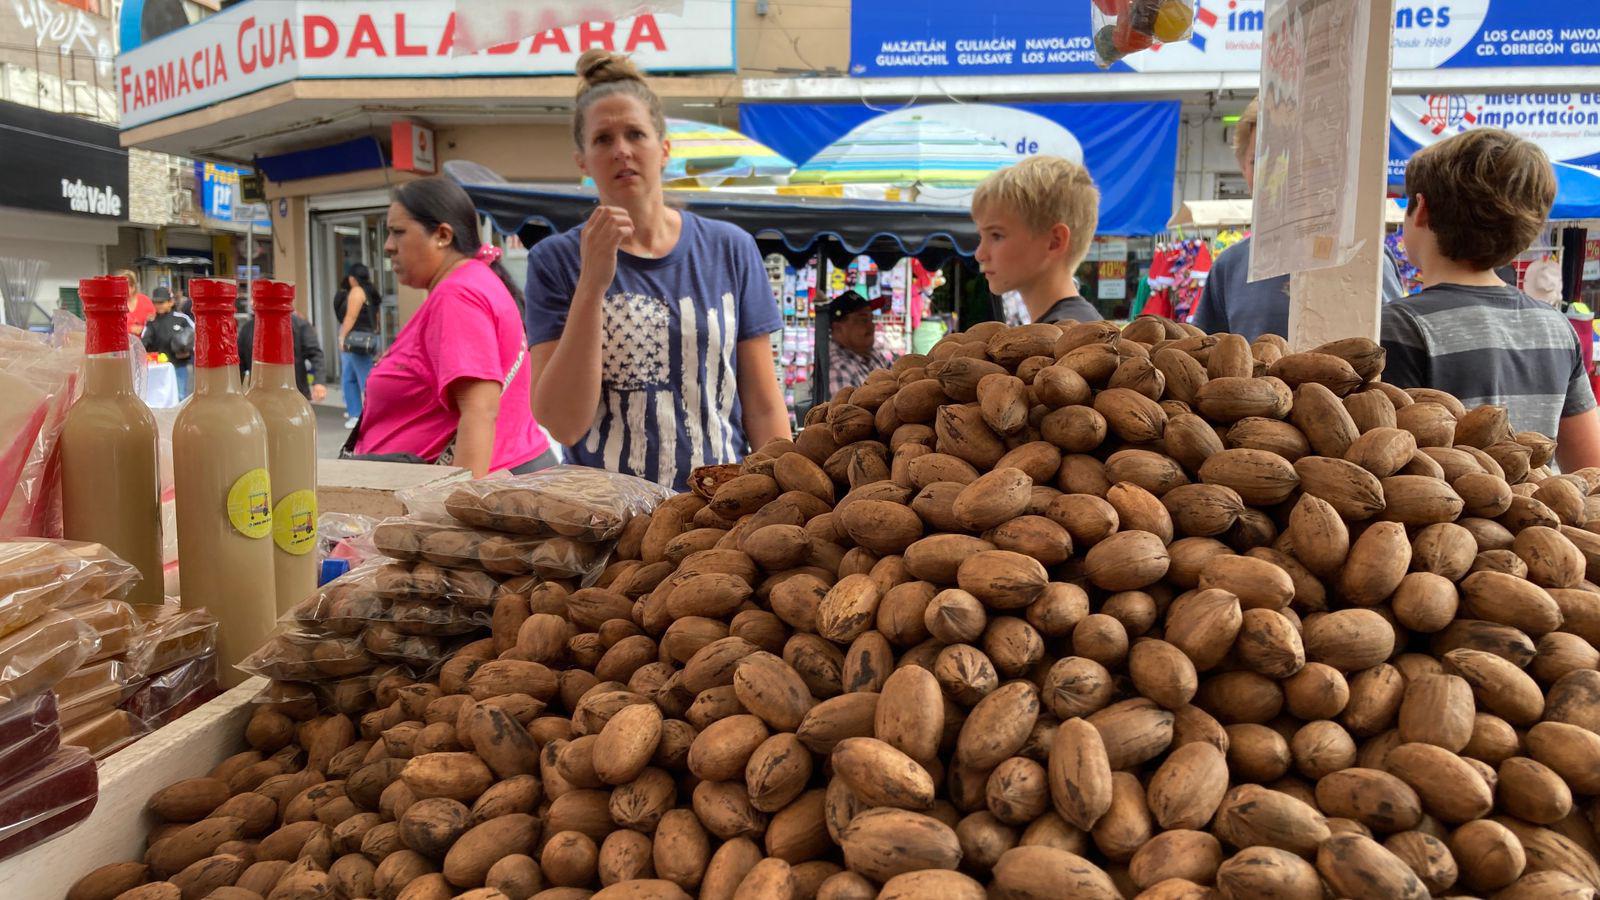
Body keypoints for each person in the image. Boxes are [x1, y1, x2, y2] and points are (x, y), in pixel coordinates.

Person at [524, 49, 790, 491]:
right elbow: (564, 425)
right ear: (582, 162)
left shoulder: (731, 249)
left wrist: (784, 496)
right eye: (603, 139)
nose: (621, 150)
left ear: (664, 149)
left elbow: (762, 405)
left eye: (635, 134)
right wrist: (591, 283)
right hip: (605, 522)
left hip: (718, 511)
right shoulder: (555, 261)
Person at [1381, 128, 1600, 471]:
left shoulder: (1399, 326)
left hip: (1439, 523)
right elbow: (1589, 466)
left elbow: (1385, 460)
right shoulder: (1557, 328)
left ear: (1420, 209)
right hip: (1534, 521)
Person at [351, 176, 554, 478]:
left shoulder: (457, 295)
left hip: (485, 486)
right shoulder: (470, 282)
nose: (388, 246)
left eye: (398, 233)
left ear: (443, 235)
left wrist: (454, 514)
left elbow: (479, 410)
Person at [1193, 98, 1407, 340]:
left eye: (1289, 157)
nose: (1275, 172)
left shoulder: (1363, 256)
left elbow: (1393, 348)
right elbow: (1205, 355)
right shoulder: (1229, 266)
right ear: (1244, 169)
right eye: (1259, 160)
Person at [971, 155, 1103, 325]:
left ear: (1055, 242)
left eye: (996, 235)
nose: (980, 254)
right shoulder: (1071, 327)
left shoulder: (1065, 340)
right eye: (981, 236)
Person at [238, 309, 327, 402]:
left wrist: (319, 382)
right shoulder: (248, 329)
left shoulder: (299, 325)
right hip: (260, 395)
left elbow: (315, 354)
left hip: (294, 393)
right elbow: (240, 363)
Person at [334, 263, 380, 429]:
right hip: (367, 337)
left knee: (358, 379)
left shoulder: (356, 291)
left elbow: (351, 317)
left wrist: (341, 337)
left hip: (355, 339)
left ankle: (360, 415)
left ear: (352, 278)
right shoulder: (370, 291)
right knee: (353, 377)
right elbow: (376, 317)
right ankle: (357, 413)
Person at [825, 291, 893, 396]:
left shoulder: (871, 353)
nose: (871, 326)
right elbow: (846, 411)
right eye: (862, 320)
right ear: (838, 328)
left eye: (871, 319)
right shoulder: (837, 369)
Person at [140, 286, 195, 397]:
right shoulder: (151, 322)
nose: (158, 305)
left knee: (180, 395)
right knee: (160, 397)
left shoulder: (182, 319)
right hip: (160, 368)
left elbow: (195, 335)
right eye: (156, 302)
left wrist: (186, 347)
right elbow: (144, 342)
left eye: (162, 302)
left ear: (170, 302)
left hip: (179, 364)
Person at [118, 269, 156, 338]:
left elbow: (154, 323)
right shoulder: (116, 304)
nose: (120, 290)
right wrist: (130, 329)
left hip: (144, 343)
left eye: (124, 286)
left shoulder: (145, 301)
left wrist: (143, 328)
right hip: (123, 343)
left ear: (133, 287)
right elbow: (112, 327)